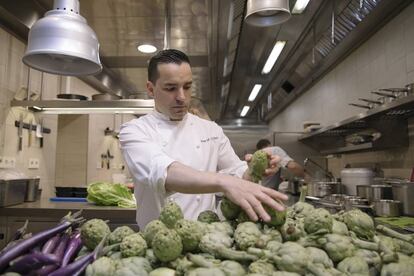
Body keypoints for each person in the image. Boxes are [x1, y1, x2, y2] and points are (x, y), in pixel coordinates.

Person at [119, 49, 287, 229]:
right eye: (171, 88)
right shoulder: (135, 131)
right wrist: (224, 182)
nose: (181, 97)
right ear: (151, 89)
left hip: (205, 237)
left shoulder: (211, 130)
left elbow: (236, 171)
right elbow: (165, 173)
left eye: (187, 86)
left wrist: (254, 170)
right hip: (156, 244)